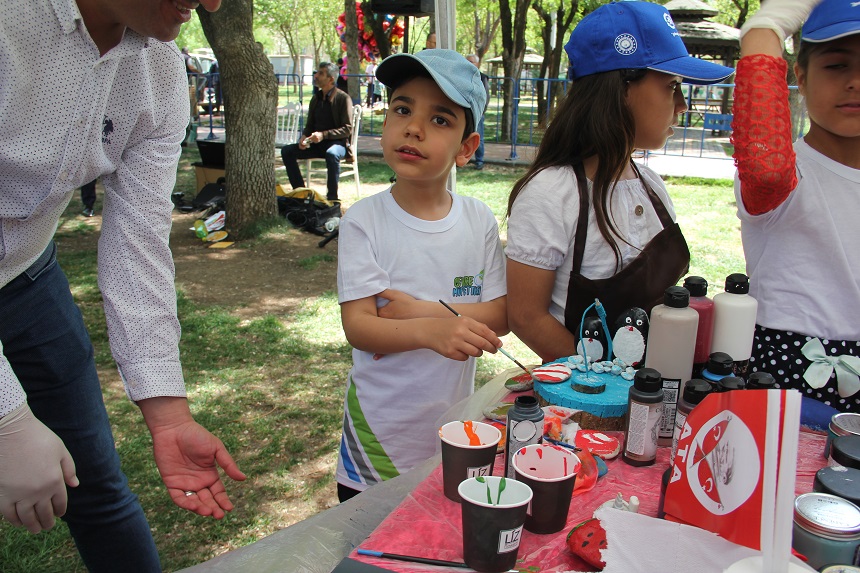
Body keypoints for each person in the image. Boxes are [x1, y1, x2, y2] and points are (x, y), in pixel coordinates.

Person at [0, 1, 246, 571]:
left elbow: (137, 249)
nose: (210, 2)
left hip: (28, 280)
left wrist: (169, 417)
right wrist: (8, 419)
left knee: (98, 486)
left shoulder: (159, 70)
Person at [505, 1, 733, 363]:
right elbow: (526, 316)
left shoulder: (652, 185)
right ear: (621, 89)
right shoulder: (552, 193)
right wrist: (610, 385)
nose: (682, 105)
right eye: (672, 86)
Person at [335, 49, 508, 502]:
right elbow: (360, 326)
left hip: (452, 430)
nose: (413, 127)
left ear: (466, 148)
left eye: (440, 119)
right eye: (403, 109)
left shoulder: (479, 220)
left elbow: (500, 314)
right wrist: (434, 331)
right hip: (378, 439)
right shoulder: (364, 220)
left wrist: (423, 314)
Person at [732, 0, 860, 412]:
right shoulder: (786, 174)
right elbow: (766, 169)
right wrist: (767, 25)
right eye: (837, 65)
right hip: (790, 387)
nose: (855, 81)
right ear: (800, 77)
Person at [280, 62, 352, 203]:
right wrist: (304, 137)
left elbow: (347, 128)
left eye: (321, 73)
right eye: (317, 73)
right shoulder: (316, 98)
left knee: (332, 154)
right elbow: (310, 125)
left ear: (331, 79)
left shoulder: (343, 98)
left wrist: (323, 135)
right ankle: (301, 193)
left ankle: (332, 198)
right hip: (316, 145)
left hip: (337, 144)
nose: (316, 76)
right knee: (287, 151)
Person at [465, 54, 490, 169]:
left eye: (472, 62)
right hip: (464, 113)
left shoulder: (482, 78)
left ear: (478, 64)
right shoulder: (460, 78)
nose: (469, 64)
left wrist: (480, 112)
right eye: (467, 61)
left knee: (478, 138)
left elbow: (485, 98)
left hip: (477, 114)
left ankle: (479, 160)